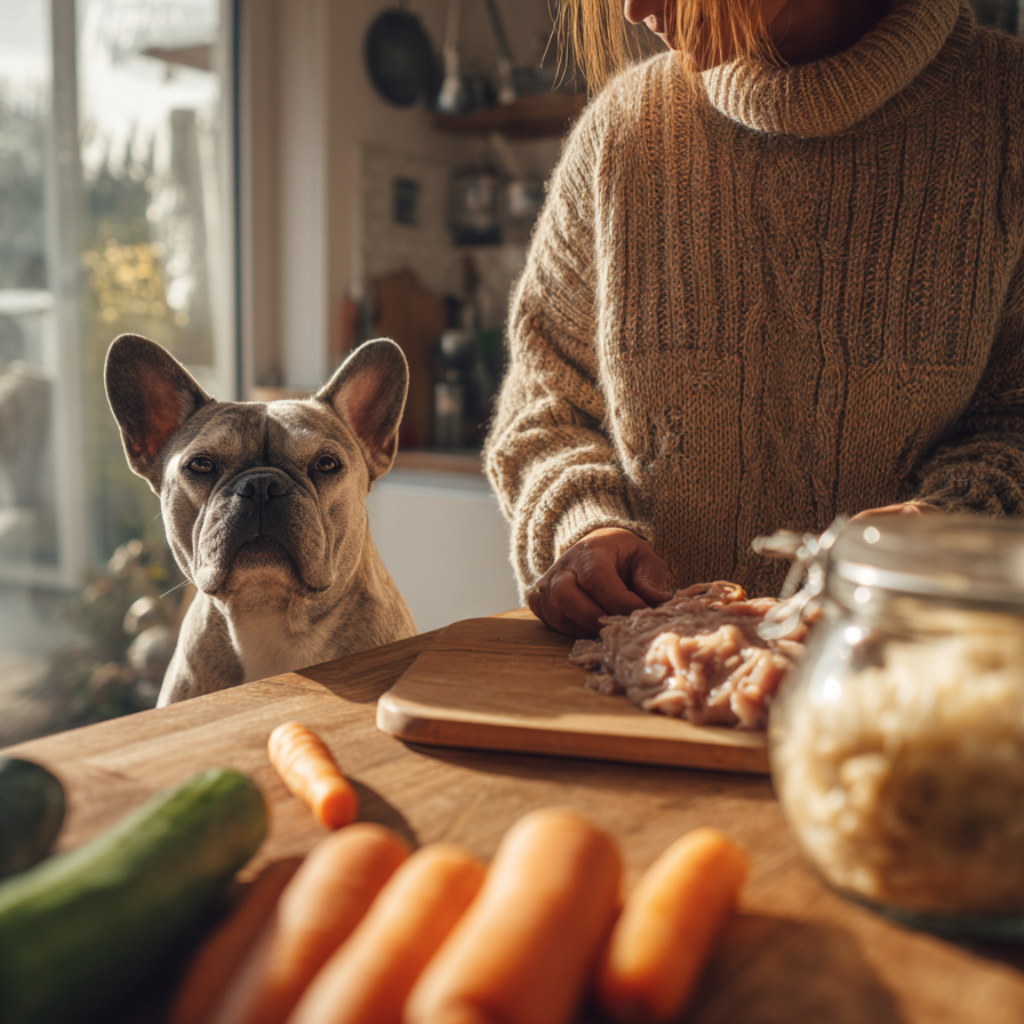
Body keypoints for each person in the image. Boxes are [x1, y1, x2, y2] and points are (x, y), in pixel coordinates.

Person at [483, 0, 1024, 638]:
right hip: (644, 686)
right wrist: (585, 526)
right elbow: (546, 407)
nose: (632, 9)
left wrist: (954, 524)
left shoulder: (1007, 117)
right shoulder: (622, 134)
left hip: (916, 680)